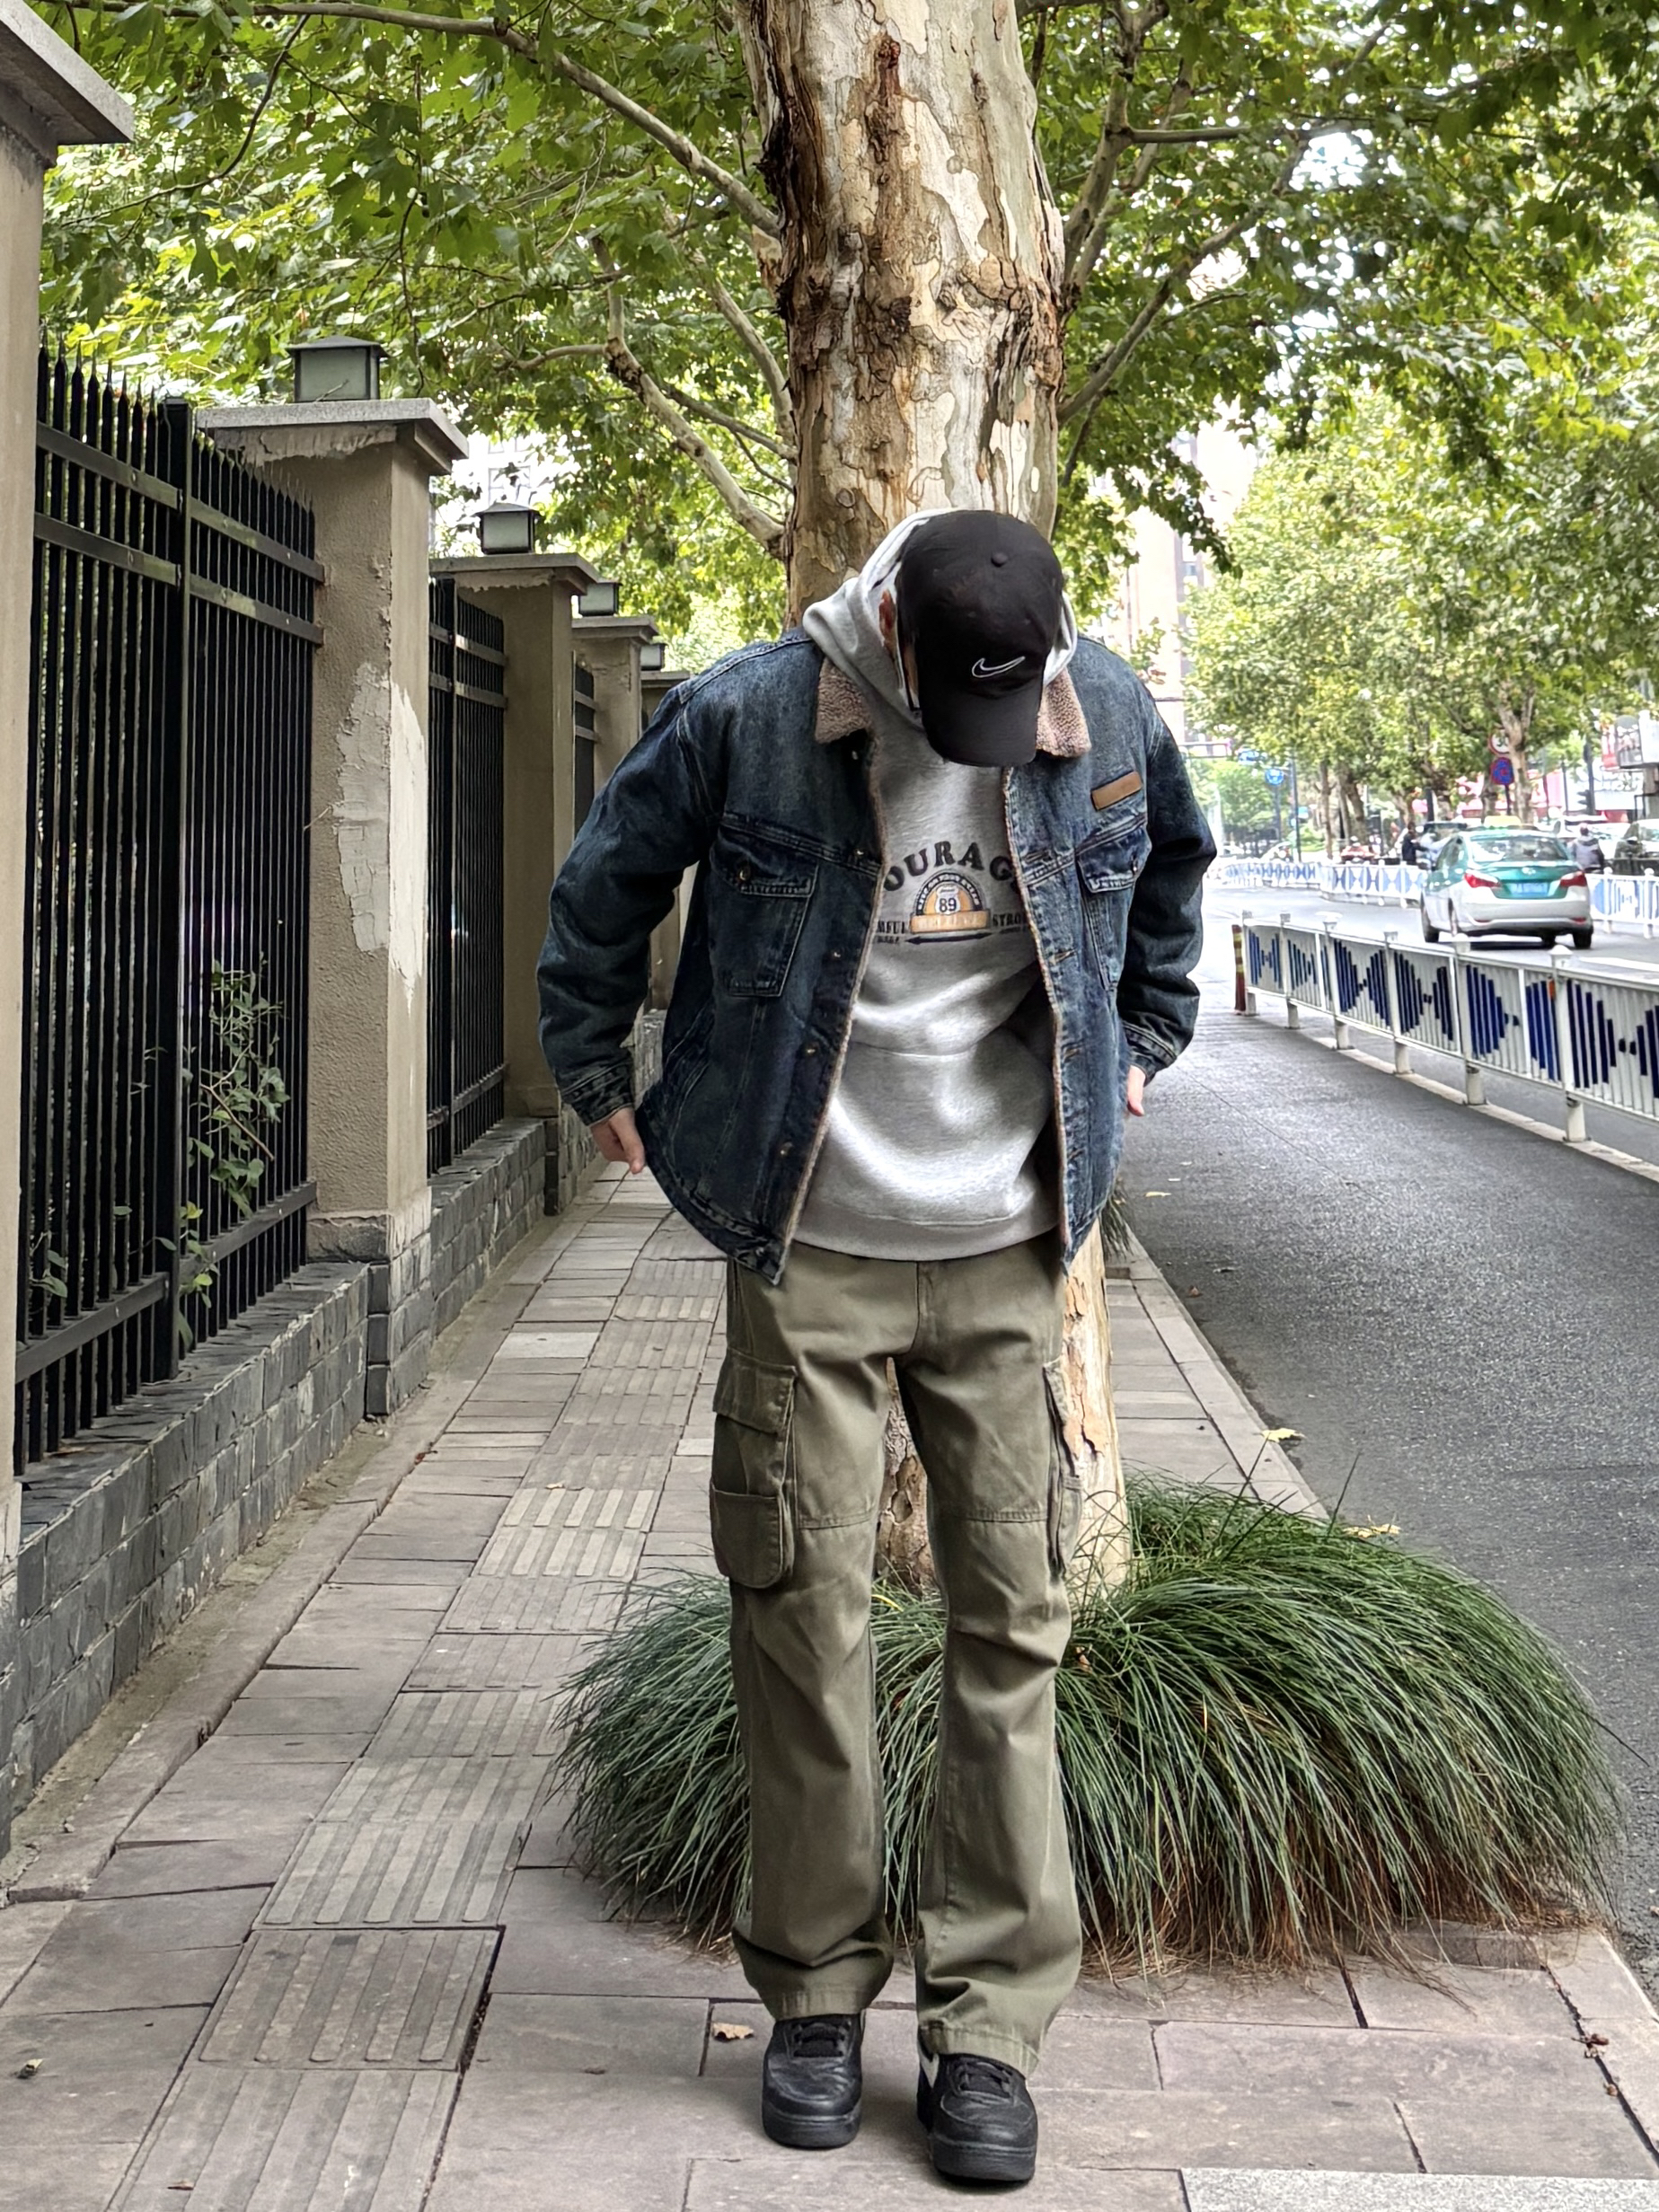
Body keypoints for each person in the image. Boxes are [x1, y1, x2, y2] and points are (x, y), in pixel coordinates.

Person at [537, 509, 1213, 2188]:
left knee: (1015, 1630)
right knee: (802, 1622)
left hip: (1007, 1247)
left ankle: (987, 2032)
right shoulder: (755, 713)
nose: (989, 735)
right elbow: (606, 878)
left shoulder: (1102, 710)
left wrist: (1142, 1038)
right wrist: (597, 1069)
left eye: (1016, 700)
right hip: (812, 1236)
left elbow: (1173, 872)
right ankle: (818, 1999)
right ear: (894, 635)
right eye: (957, 701)